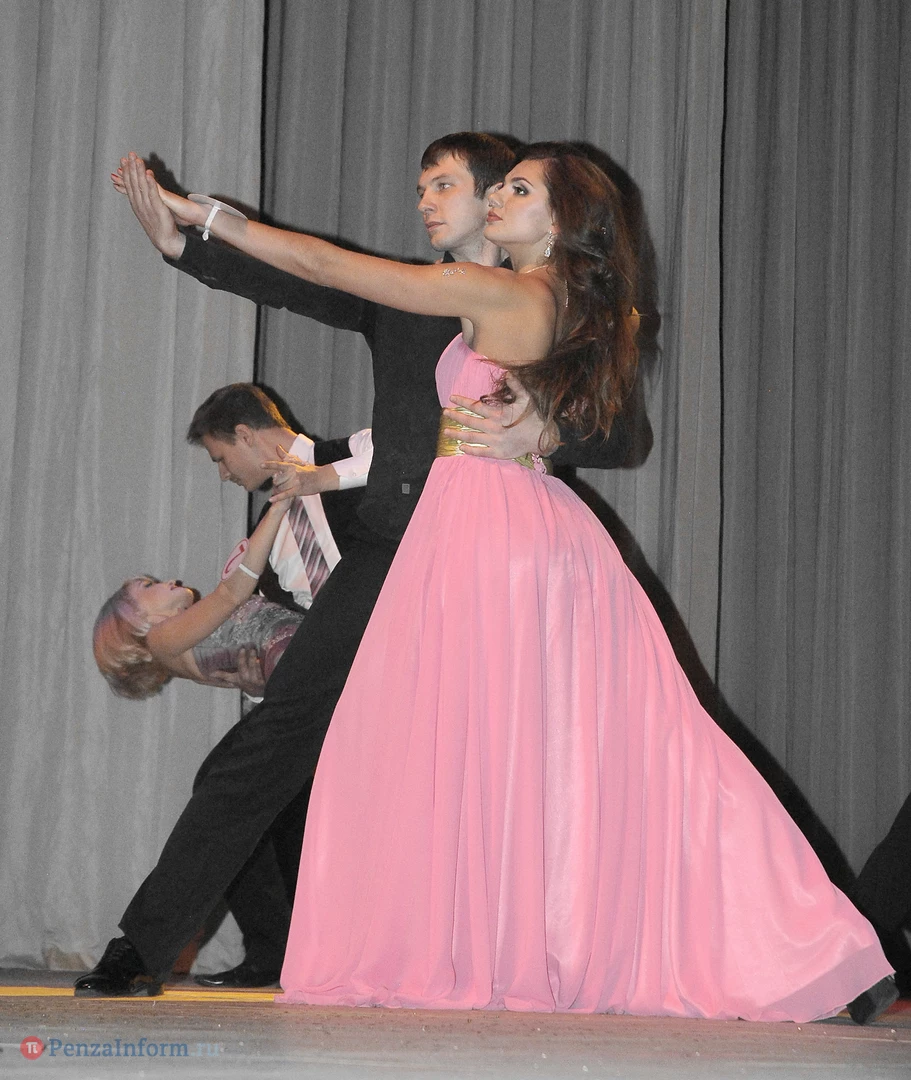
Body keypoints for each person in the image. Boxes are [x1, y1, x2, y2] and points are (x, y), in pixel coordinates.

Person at [131, 140, 898, 1024]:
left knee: (472, 748)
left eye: (518, 189)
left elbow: (328, 266)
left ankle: (756, 946)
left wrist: (207, 216)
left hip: (486, 533)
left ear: (560, 219)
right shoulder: (575, 304)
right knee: (627, 749)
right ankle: (813, 949)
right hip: (527, 528)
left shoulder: (496, 291)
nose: (497, 198)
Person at [76, 133, 632, 998]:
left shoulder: (549, 301)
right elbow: (304, 276)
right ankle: (142, 946)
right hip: (392, 551)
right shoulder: (409, 298)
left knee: (543, 756)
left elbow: (618, 429)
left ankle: (576, 942)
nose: (424, 202)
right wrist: (186, 246)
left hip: (489, 560)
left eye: (443, 185)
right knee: (275, 735)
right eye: (420, 187)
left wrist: (548, 429)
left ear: (496, 198)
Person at [92, 504, 299, 701]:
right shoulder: (159, 640)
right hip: (296, 651)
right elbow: (230, 594)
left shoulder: (191, 667)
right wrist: (276, 510)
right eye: (148, 585)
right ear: (135, 620)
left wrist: (259, 688)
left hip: (295, 652)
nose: (170, 581)